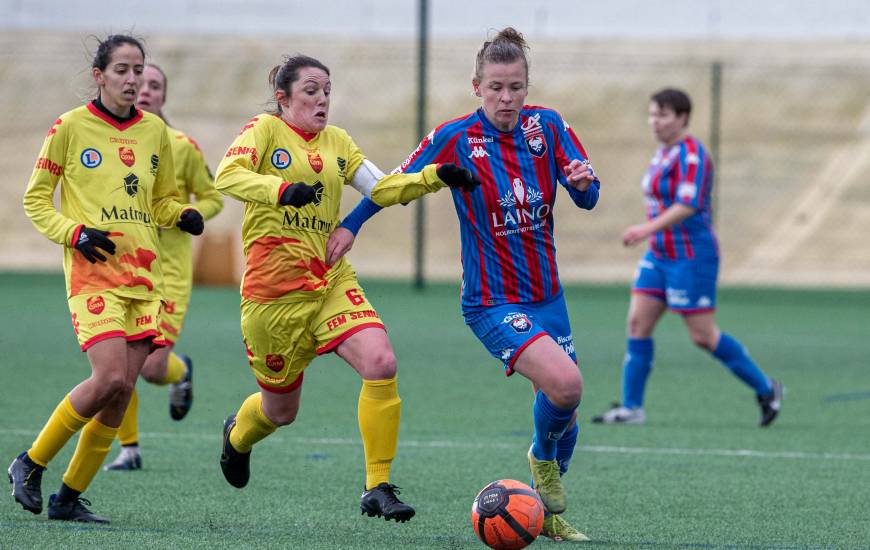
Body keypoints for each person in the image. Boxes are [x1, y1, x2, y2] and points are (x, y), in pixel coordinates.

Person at [335, 28, 597, 542]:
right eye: (496, 87)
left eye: (516, 87)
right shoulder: (454, 136)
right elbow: (392, 183)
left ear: (527, 86)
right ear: (476, 86)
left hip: (549, 295)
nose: (507, 98)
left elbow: (586, 195)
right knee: (566, 384)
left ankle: (542, 511)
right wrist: (351, 225)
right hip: (491, 300)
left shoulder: (548, 126)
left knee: (567, 408)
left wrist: (587, 185)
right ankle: (540, 461)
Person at [213, 54, 478, 523]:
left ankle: (376, 486)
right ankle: (237, 437)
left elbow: (380, 188)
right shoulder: (264, 130)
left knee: (381, 361)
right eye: (311, 90)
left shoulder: (338, 142)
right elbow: (227, 177)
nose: (322, 100)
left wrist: (436, 177)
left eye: (327, 91)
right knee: (280, 412)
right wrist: (279, 191)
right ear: (284, 97)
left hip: (329, 279)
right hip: (273, 299)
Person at [10, 35, 204, 523]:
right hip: (93, 272)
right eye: (121, 69)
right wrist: (72, 232)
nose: (132, 79)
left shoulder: (155, 131)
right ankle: (29, 463)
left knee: (122, 393)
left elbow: (158, 201)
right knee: (110, 377)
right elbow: (36, 200)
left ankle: (68, 498)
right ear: (99, 75)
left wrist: (180, 214)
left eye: (138, 69)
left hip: (145, 277)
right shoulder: (70, 127)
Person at [592, 88, 783, 427]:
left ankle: (767, 388)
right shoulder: (662, 154)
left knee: (702, 335)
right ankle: (632, 407)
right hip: (660, 255)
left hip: (691, 256)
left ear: (683, 118)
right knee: (638, 323)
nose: (655, 122)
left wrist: (645, 228)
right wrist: (651, 235)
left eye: (663, 115)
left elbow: (689, 203)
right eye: (652, 114)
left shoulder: (692, 155)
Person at [103, 64, 224, 471]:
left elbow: (213, 198)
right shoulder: (110, 141)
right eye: (141, 82)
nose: (145, 90)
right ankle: (130, 448)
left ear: (163, 97)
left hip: (168, 274)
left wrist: (184, 212)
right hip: (120, 268)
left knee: (153, 369)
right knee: (117, 364)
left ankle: (180, 371)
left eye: (156, 85)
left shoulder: (182, 146)